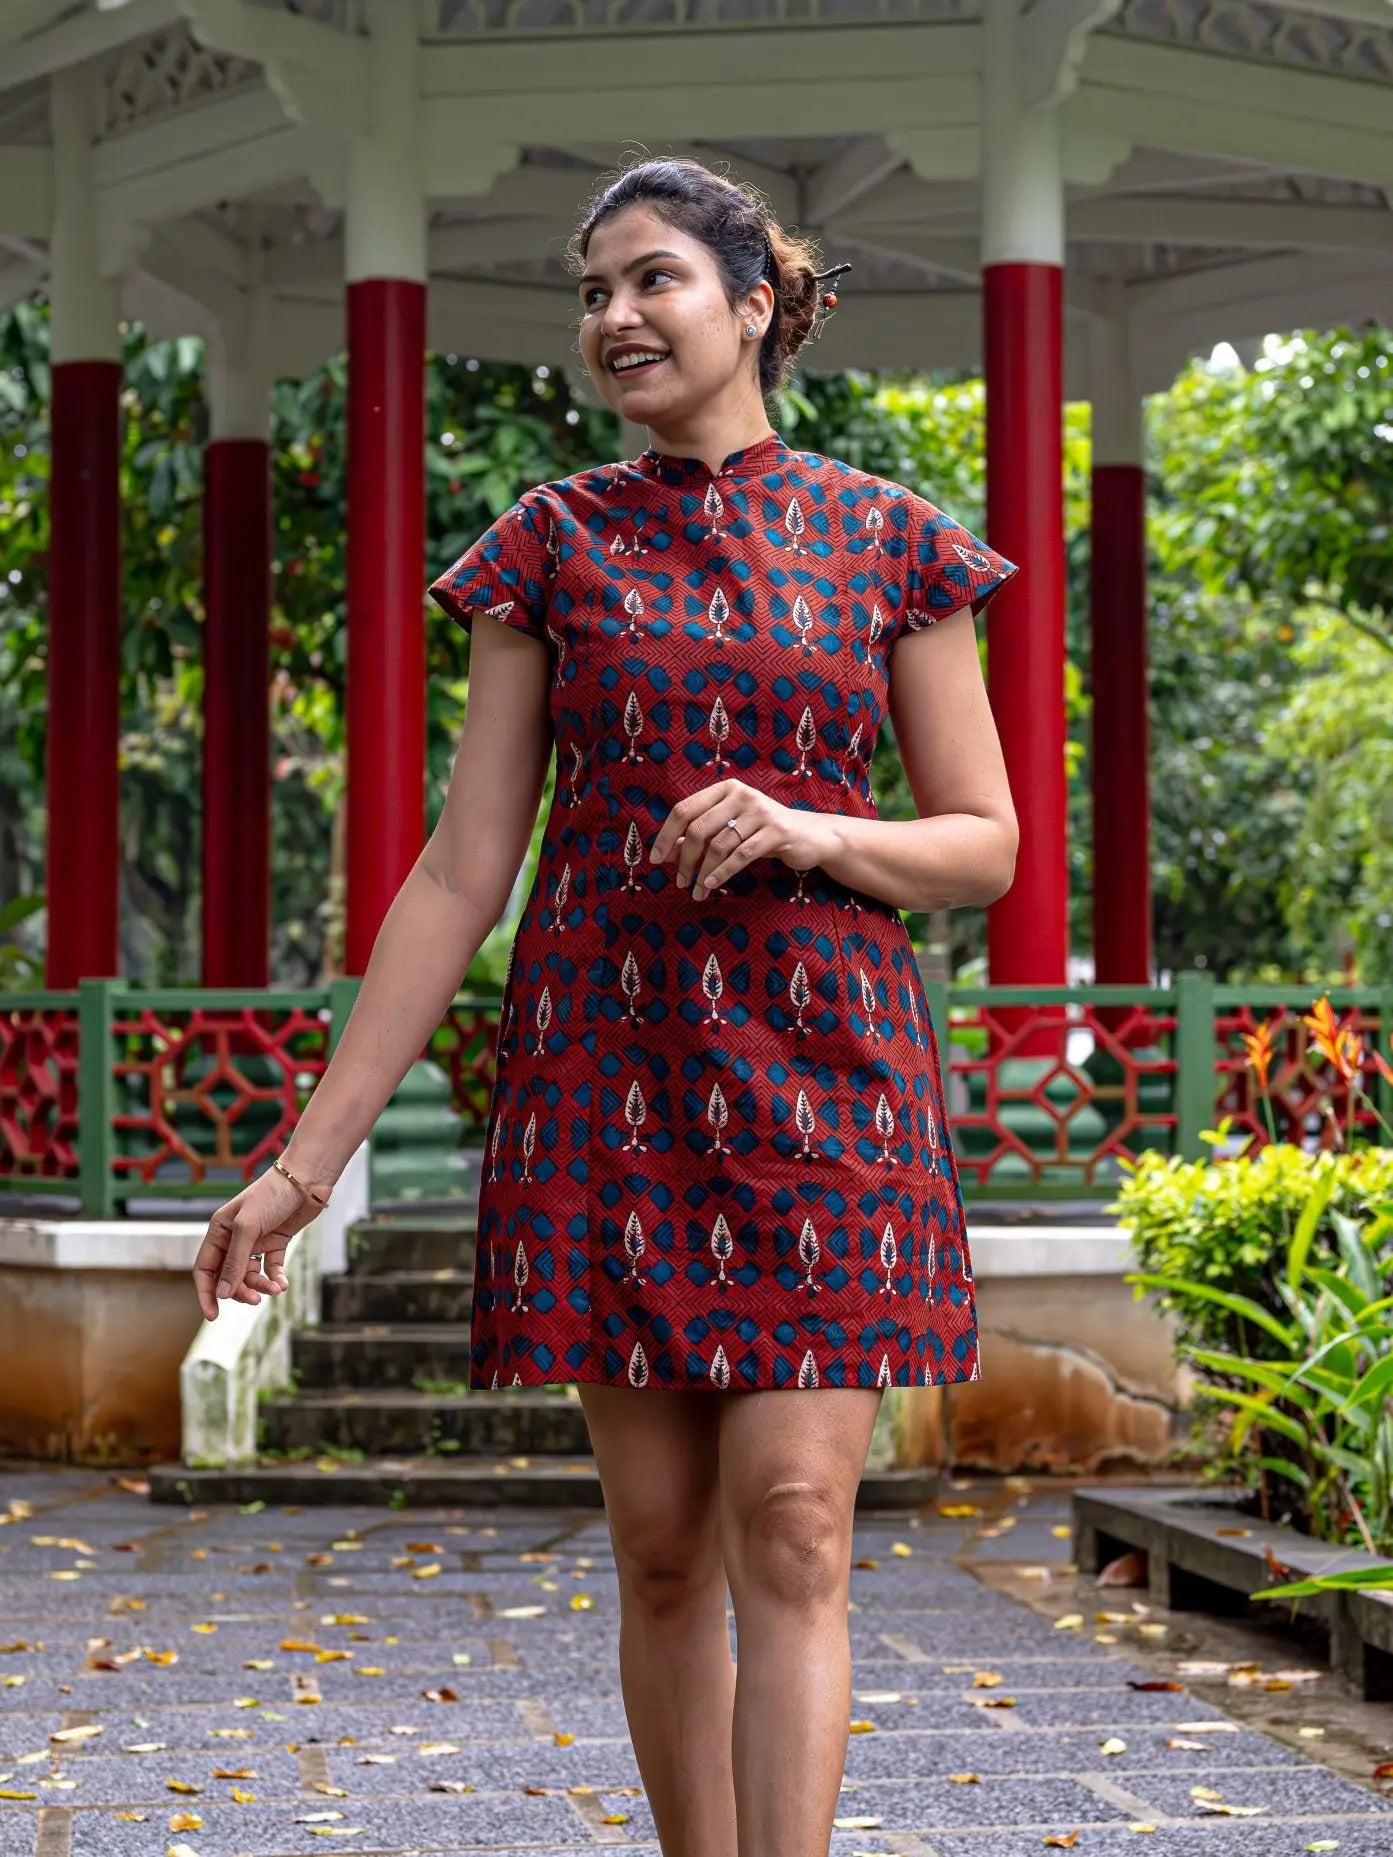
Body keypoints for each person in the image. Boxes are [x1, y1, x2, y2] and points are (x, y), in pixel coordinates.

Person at [193, 155, 1020, 1857]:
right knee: (658, 1541)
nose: (613, 317)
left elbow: (987, 844)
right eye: (591, 291)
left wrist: (814, 827)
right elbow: (455, 873)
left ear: (754, 303)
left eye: (651, 279)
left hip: (828, 1086)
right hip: (604, 1077)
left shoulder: (891, 541)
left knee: (791, 1522)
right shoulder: (548, 550)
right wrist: (299, 1165)